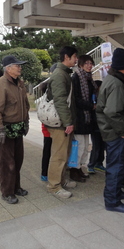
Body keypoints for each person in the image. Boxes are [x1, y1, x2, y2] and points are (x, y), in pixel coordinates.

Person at [96, 48, 124, 213]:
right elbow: (112, 112)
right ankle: (112, 201)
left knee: (115, 164)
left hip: (109, 130)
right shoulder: (117, 84)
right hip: (115, 132)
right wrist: (122, 131)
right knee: (116, 166)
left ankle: (115, 192)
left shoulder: (111, 78)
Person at [0, 56, 30, 204]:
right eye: (16, 65)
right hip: (6, 128)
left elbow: (25, 104)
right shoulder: (1, 83)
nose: (19, 67)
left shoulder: (19, 83)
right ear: (8, 68)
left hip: (18, 127)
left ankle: (16, 187)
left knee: (18, 160)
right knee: (7, 163)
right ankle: (6, 192)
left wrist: (26, 121)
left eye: (20, 65)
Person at [46, 46, 78, 199]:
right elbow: (60, 101)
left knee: (64, 153)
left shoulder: (64, 73)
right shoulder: (59, 75)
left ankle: (62, 180)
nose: (76, 59)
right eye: (74, 56)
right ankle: (54, 186)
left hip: (64, 121)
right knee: (58, 155)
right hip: (60, 123)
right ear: (67, 57)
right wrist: (68, 122)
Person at [71, 55, 98, 182]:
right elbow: (75, 99)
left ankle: (80, 168)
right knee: (79, 146)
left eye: (91, 63)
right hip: (79, 118)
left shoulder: (88, 78)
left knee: (86, 146)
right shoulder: (76, 77)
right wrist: (90, 105)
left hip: (87, 118)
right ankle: (74, 171)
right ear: (80, 65)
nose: (89, 65)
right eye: (86, 63)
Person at [87, 80, 106, 174]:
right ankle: (91, 164)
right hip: (95, 125)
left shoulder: (103, 97)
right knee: (96, 146)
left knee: (102, 145)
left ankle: (99, 163)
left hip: (103, 125)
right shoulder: (93, 97)